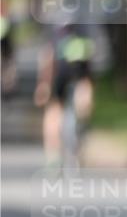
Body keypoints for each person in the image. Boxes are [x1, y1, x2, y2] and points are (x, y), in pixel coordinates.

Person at [34, 23, 95, 165]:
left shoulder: (55, 34)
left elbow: (47, 61)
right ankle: (62, 150)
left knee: (55, 114)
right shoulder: (83, 33)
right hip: (70, 77)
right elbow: (88, 68)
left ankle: (56, 154)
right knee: (57, 113)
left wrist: (43, 85)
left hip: (65, 77)